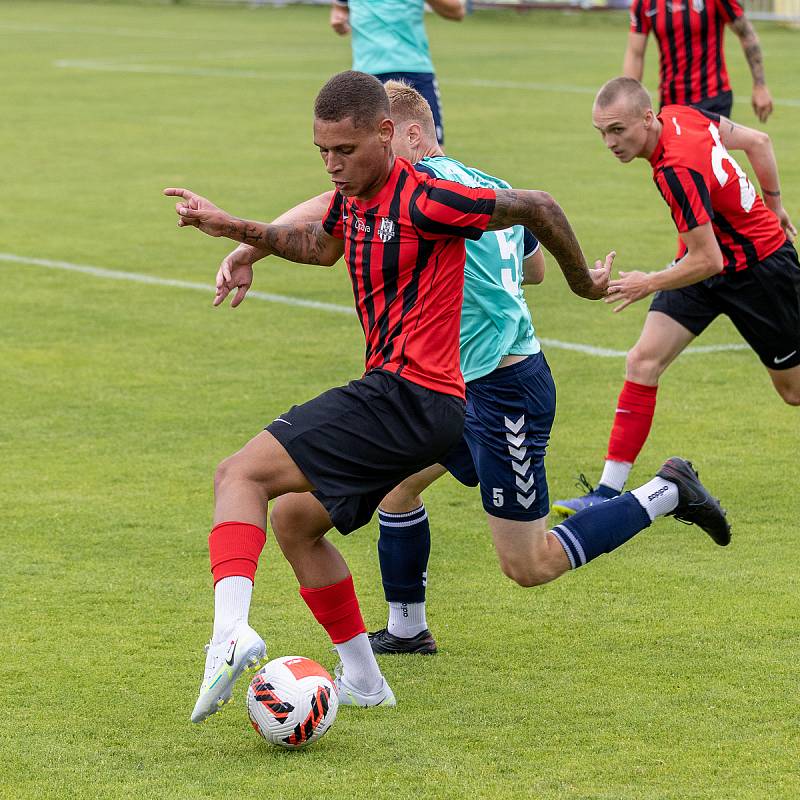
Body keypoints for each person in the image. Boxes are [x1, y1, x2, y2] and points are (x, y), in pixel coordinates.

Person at [215, 80, 733, 661]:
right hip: (440, 388)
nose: (355, 169)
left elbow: (324, 208)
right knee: (388, 493)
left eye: (365, 147)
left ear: (405, 133)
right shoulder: (481, 184)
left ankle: (666, 492)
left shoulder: (434, 189)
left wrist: (246, 247)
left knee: (528, 563)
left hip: (504, 388)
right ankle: (406, 629)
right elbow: (531, 268)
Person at [163, 69, 612, 722]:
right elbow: (319, 246)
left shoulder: (431, 197)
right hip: (407, 399)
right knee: (295, 520)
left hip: (414, 398)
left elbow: (537, 207)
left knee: (239, 473)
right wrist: (234, 230)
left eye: (344, 151)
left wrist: (585, 286)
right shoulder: (362, 199)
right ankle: (366, 677)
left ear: (387, 134)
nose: (333, 166)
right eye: (323, 152)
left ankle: (229, 636)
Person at [552, 77, 798, 518]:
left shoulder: (674, 170)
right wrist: (775, 204)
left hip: (761, 271)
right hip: (706, 265)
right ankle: (606, 492)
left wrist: (648, 282)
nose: (609, 142)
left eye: (617, 130)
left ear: (647, 119)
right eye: (602, 133)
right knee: (643, 360)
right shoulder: (683, 114)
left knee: (793, 391)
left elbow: (711, 260)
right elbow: (759, 142)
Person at [329, 0, 465, 143]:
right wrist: (339, 21)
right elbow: (340, 9)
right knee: (365, 150)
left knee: (430, 152)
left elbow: (457, 11)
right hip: (367, 75)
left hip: (413, 70)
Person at [624, 0, 773, 122]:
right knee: (678, 158)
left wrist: (760, 86)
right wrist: (629, 101)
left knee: (706, 157)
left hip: (713, 99)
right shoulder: (644, 3)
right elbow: (635, 53)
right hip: (671, 104)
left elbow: (746, 34)